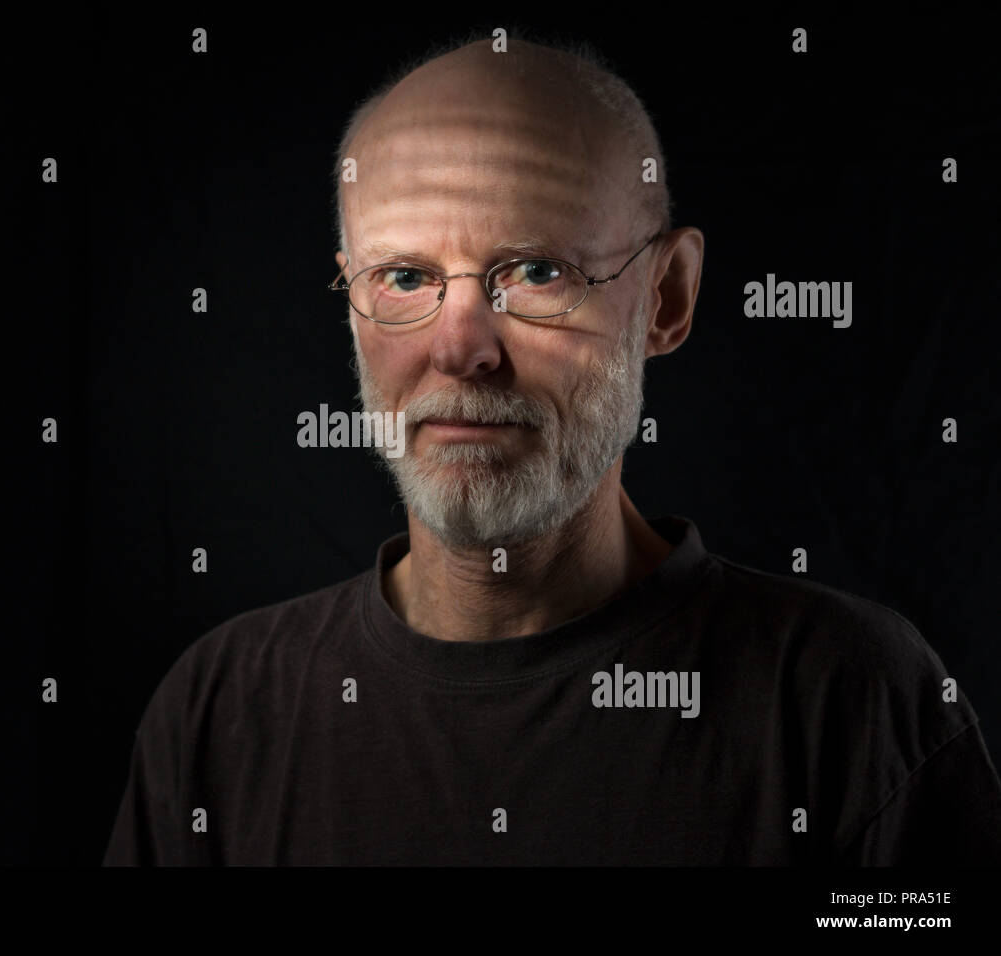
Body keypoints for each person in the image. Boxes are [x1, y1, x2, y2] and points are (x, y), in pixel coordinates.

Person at [104, 33, 1001, 865]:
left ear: (666, 297)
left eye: (536, 272)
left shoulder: (855, 708)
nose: (460, 349)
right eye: (404, 277)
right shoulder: (220, 715)